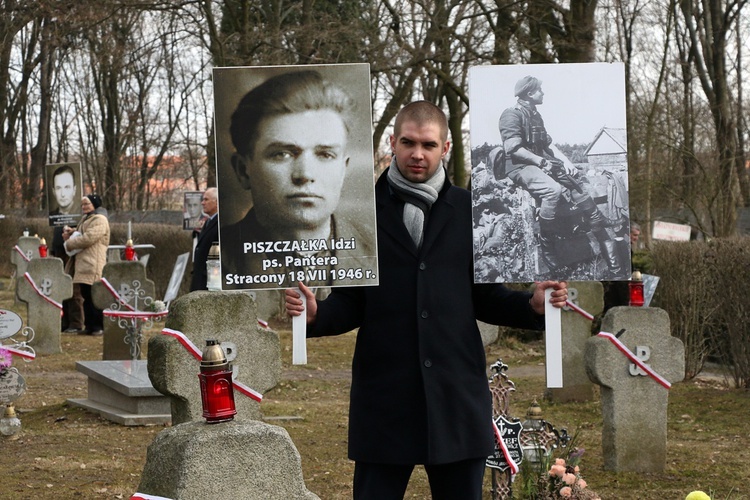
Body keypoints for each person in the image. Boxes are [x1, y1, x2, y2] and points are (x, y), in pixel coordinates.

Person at [285, 101, 568, 500]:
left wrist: (532, 307)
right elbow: (350, 303)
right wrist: (315, 315)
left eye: (429, 145)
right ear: (392, 142)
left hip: (455, 400)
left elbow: (486, 299)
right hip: (384, 402)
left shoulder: (471, 210)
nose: (418, 153)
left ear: (446, 147)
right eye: (409, 142)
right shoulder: (357, 211)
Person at [220, 70, 376, 289]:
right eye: (281, 154)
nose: (305, 175)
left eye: (325, 155)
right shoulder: (217, 257)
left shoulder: (380, 252)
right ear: (243, 170)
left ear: (343, 169)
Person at [498, 76, 623, 277]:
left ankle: (596, 220)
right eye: (540, 90)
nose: (543, 93)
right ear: (530, 93)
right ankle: (546, 243)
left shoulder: (535, 115)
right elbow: (512, 149)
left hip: (540, 162)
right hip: (520, 166)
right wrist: (540, 162)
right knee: (553, 190)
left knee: (575, 183)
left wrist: (567, 162)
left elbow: (548, 145)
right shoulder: (511, 115)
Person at [62, 194, 110, 335]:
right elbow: (82, 232)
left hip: (93, 262)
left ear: (94, 205)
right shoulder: (86, 218)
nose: (84, 207)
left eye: (87, 204)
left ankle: (98, 327)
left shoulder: (100, 220)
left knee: (93, 295)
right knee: (85, 295)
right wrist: (72, 232)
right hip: (83, 263)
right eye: (83, 204)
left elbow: (89, 238)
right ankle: (89, 326)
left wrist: (69, 243)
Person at [190, 187, 218, 291]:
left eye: (206, 200)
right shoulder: (208, 222)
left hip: (209, 281)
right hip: (200, 279)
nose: (202, 203)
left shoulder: (220, 224)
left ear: (217, 202)